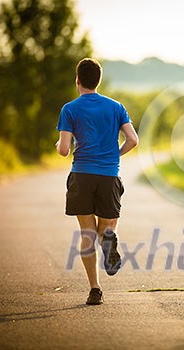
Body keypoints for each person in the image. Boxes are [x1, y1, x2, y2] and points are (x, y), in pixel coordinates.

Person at [56, 58, 138, 305]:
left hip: (82, 174)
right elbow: (133, 140)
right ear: (98, 80)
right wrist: (115, 154)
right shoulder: (116, 107)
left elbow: (63, 149)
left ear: (77, 80)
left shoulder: (69, 109)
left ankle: (95, 289)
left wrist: (59, 146)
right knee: (105, 228)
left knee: (87, 233)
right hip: (109, 175)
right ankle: (109, 237)